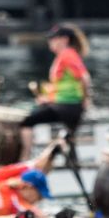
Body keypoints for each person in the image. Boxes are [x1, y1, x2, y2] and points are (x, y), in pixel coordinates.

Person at [19, 25, 91, 158]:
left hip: (68, 107)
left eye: (53, 39)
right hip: (67, 105)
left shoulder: (67, 54)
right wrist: (48, 99)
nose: (50, 42)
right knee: (68, 140)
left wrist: (86, 100)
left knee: (26, 122)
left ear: (64, 39)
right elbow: (64, 86)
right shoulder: (65, 55)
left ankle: (25, 158)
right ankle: (70, 159)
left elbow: (85, 78)